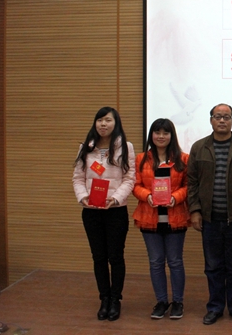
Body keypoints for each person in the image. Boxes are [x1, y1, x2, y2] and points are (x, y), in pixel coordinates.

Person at [187, 103, 232, 325]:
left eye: (226, 117)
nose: (222, 120)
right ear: (211, 120)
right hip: (209, 219)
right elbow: (192, 183)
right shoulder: (199, 147)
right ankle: (215, 307)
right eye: (217, 116)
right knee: (213, 267)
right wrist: (195, 210)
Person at [72, 106, 135, 321]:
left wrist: (115, 198)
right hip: (91, 211)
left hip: (115, 210)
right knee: (98, 257)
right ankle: (104, 298)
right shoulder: (86, 148)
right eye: (100, 120)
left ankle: (115, 299)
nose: (103, 124)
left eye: (108, 120)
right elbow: (78, 178)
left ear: (115, 123)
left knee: (115, 256)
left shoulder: (125, 147)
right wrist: (83, 197)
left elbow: (130, 178)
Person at [132, 118, 190, 320]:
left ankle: (178, 302)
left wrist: (176, 197)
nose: (161, 136)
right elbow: (135, 185)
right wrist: (147, 196)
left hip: (176, 217)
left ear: (172, 136)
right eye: (157, 132)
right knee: (156, 262)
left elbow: (188, 186)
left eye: (165, 133)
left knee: (175, 261)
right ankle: (161, 301)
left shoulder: (183, 159)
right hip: (149, 217)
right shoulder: (141, 159)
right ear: (151, 135)